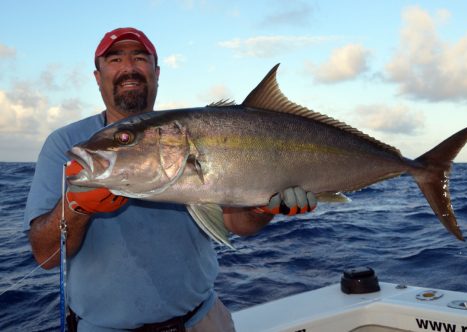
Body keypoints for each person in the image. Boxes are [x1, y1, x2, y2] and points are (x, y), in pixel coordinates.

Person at [24, 27, 317, 332]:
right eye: (114, 59)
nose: (128, 67)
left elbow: (237, 225)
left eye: (140, 57)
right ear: (97, 76)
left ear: (156, 72)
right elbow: (46, 256)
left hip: (202, 320)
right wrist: (75, 206)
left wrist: (260, 209)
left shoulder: (190, 131)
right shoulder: (67, 145)